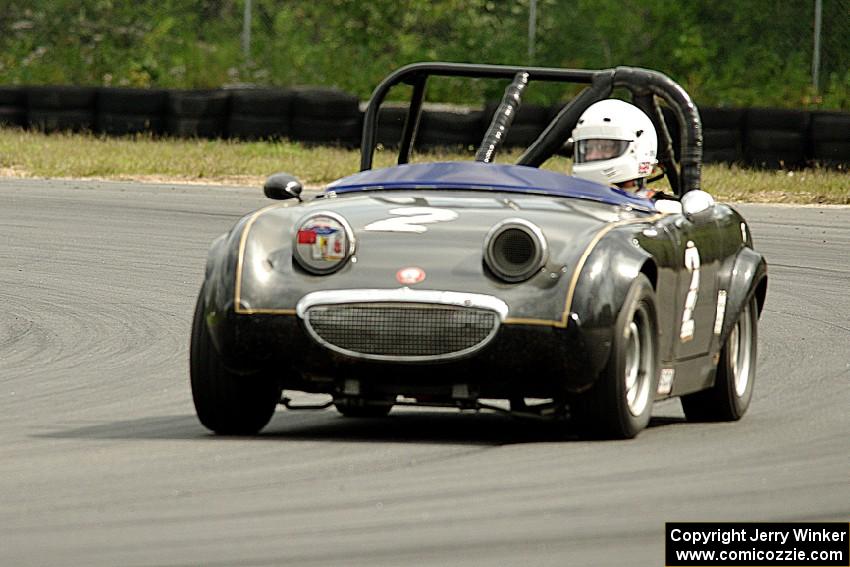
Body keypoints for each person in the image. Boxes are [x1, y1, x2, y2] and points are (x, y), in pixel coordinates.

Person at [570, 98, 664, 198]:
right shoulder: (567, 200)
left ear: (639, 148)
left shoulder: (664, 209)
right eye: (588, 148)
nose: (592, 155)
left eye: (605, 148)